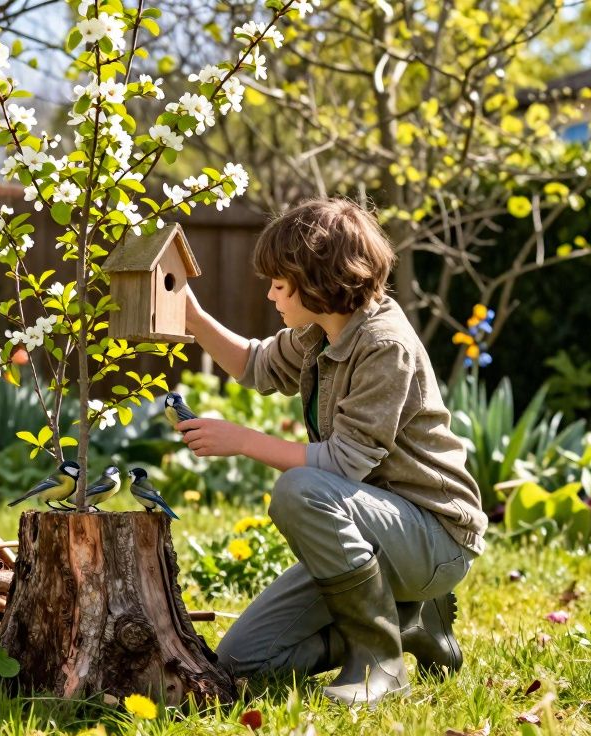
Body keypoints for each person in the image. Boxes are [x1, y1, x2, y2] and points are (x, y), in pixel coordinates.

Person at [177, 197, 486, 706]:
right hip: (369, 530)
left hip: (435, 537)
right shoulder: (320, 333)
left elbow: (343, 463)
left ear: (320, 282)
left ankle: (379, 662)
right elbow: (257, 365)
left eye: (281, 283)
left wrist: (243, 441)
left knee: (300, 490)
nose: (272, 293)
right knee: (244, 661)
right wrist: (193, 317)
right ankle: (410, 623)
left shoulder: (385, 345)